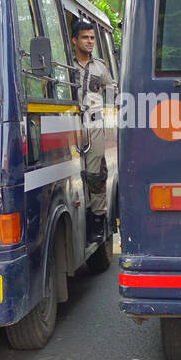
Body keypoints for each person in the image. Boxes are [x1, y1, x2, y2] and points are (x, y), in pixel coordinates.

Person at [70, 19, 114, 243]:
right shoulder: (66, 65)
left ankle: (97, 220)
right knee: (75, 174)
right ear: (74, 40)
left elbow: (111, 89)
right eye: (85, 38)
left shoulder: (100, 67)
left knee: (95, 173)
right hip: (70, 123)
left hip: (95, 124)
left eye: (92, 38)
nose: (89, 42)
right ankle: (81, 216)